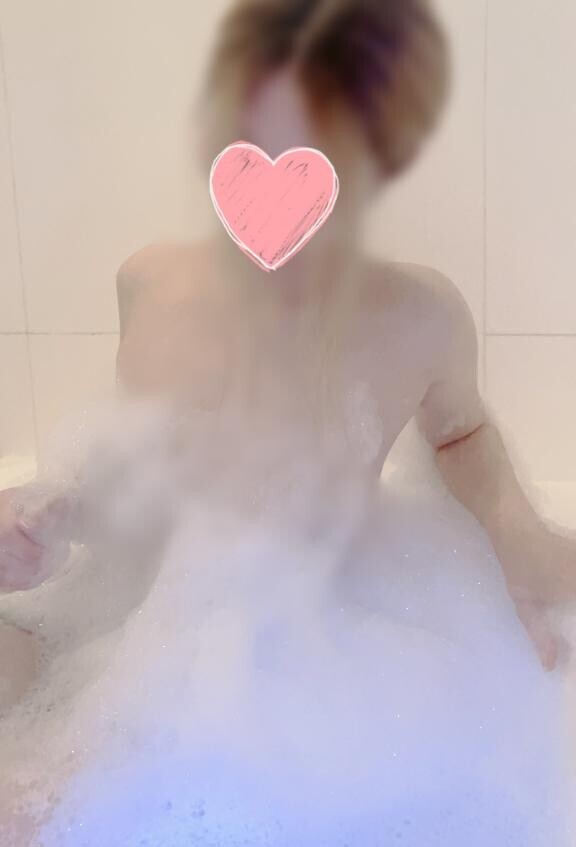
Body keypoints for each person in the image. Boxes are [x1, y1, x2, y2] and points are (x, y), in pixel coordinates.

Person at [0, 0, 575, 843]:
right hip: (142, 635)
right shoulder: (148, 285)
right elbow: (141, 465)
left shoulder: (419, 316)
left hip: (316, 650)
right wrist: (50, 512)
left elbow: (461, 431)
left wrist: (515, 530)